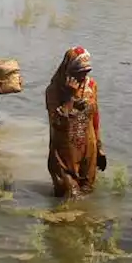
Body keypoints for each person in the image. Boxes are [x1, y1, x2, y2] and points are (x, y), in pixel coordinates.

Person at [45, 46, 106, 197]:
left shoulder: (91, 86)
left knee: (87, 196)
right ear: (68, 70)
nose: (83, 77)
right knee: (70, 198)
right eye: (79, 73)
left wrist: (99, 148)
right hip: (64, 155)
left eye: (86, 72)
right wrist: (69, 98)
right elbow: (57, 122)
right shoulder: (54, 91)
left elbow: (95, 117)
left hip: (88, 150)